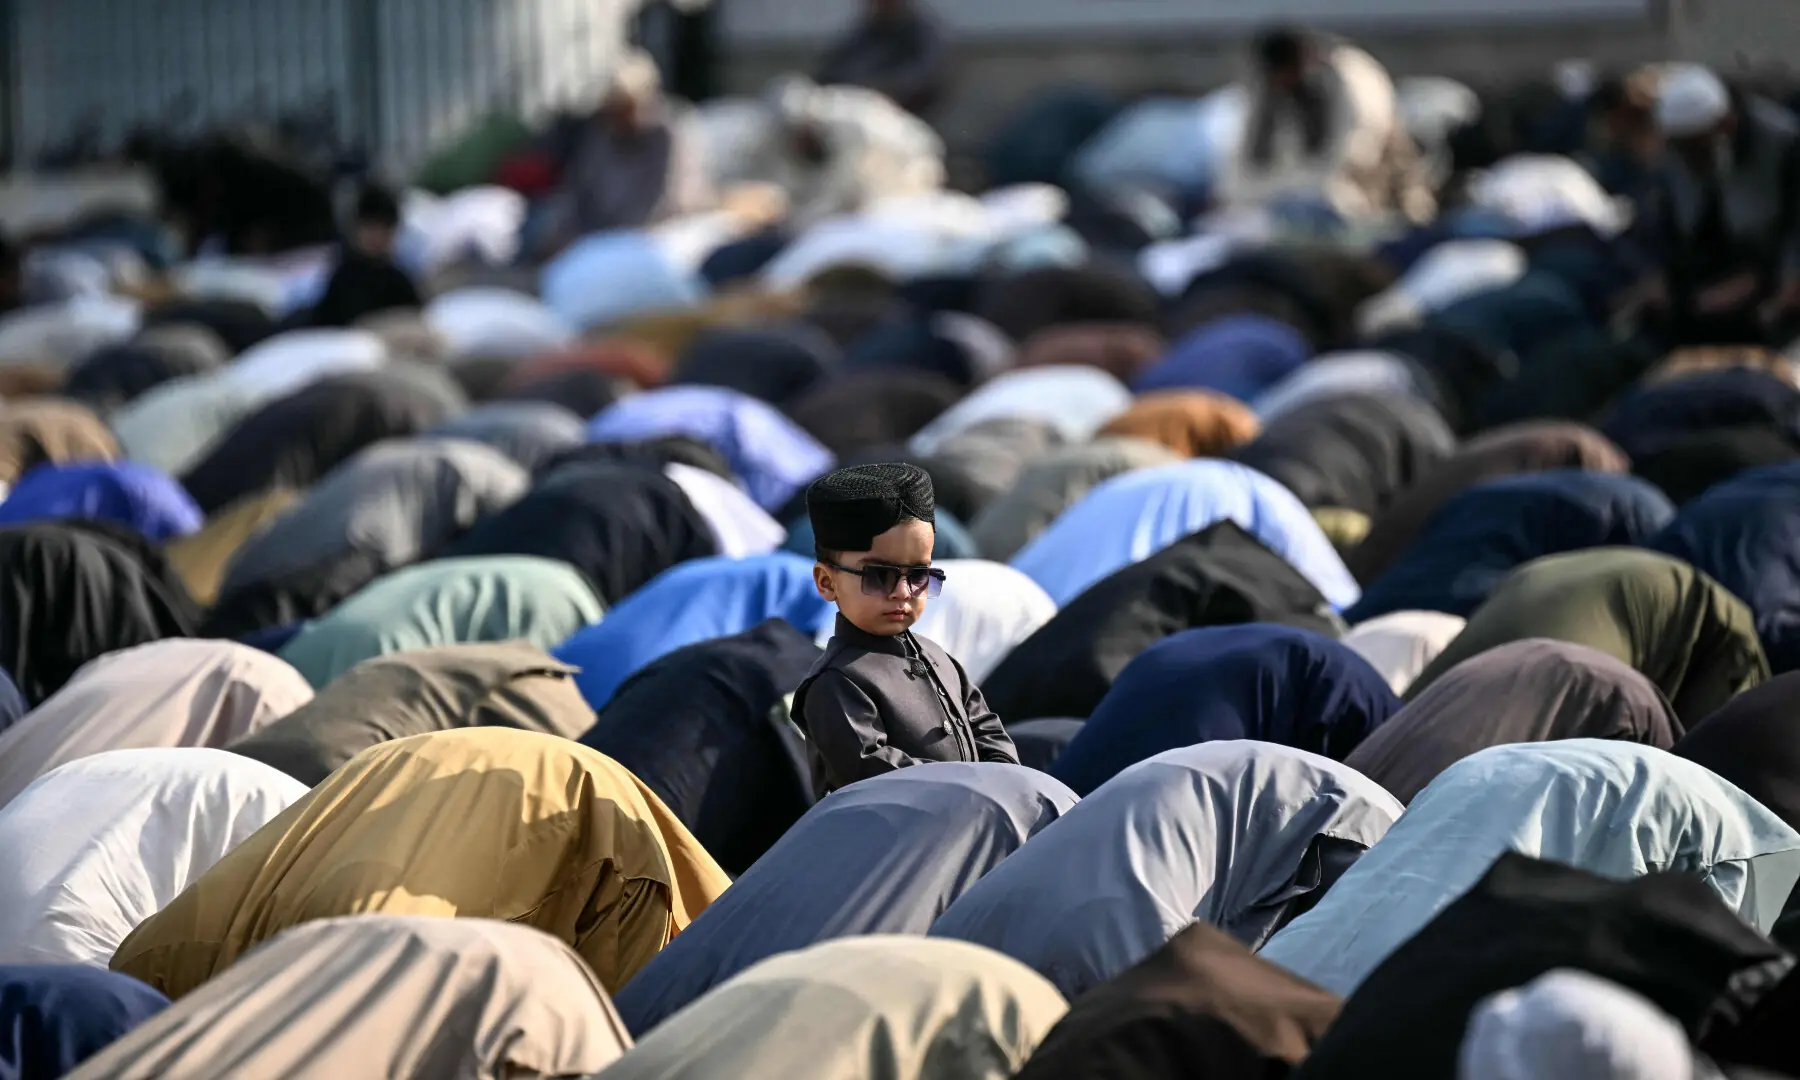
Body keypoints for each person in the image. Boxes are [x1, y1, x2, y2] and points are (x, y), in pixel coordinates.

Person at [794, 463, 1018, 796]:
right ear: (827, 582)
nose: (902, 592)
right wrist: (971, 785)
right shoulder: (835, 682)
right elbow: (872, 771)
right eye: (878, 576)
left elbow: (986, 730)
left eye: (918, 576)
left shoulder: (937, 657)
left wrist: (1003, 782)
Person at [1640, 63, 1800, 344]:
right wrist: (1658, 278)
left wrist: (1775, 284)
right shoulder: (1678, 160)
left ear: (1725, 125)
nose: (1689, 160)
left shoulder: (1783, 145)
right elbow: (1668, 222)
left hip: (1768, 276)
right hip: (1708, 279)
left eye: (1696, 148)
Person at [1224, 26, 1435, 222]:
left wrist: (1315, 188)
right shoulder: (1270, 86)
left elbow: (1360, 146)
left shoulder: (1351, 77)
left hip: (1374, 183)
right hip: (1307, 194)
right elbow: (1252, 149)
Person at [746, 74, 946, 230]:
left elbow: (838, 184)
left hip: (915, 163)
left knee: (870, 213)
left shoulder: (848, 123)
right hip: (884, 165)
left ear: (808, 123)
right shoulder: (795, 138)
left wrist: (802, 222)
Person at [560, 48, 714, 239]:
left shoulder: (672, 130)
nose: (620, 115)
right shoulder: (602, 132)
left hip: (663, 231)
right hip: (602, 235)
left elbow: (671, 197)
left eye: (627, 106)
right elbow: (580, 191)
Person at [305, 183, 422, 327]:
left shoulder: (399, 281)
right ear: (357, 229)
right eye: (371, 228)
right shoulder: (342, 279)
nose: (377, 237)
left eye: (384, 229)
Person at [814, 0, 950, 116]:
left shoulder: (923, 33)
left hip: (908, 117)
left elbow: (925, 74)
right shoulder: (865, 33)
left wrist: (882, 88)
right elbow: (834, 71)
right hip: (855, 110)